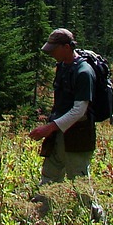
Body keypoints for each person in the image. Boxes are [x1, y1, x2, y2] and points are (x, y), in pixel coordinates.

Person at [28, 27, 97, 185]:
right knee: (48, 178)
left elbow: (79, 111)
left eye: (54, 49)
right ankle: (42, 207)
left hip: (78, 138)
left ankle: (92, 211)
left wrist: (49, 127)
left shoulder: (84, 73)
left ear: (66, 47)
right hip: (59, 136)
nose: (51, 54)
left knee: (80, 186)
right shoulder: (63, 67)